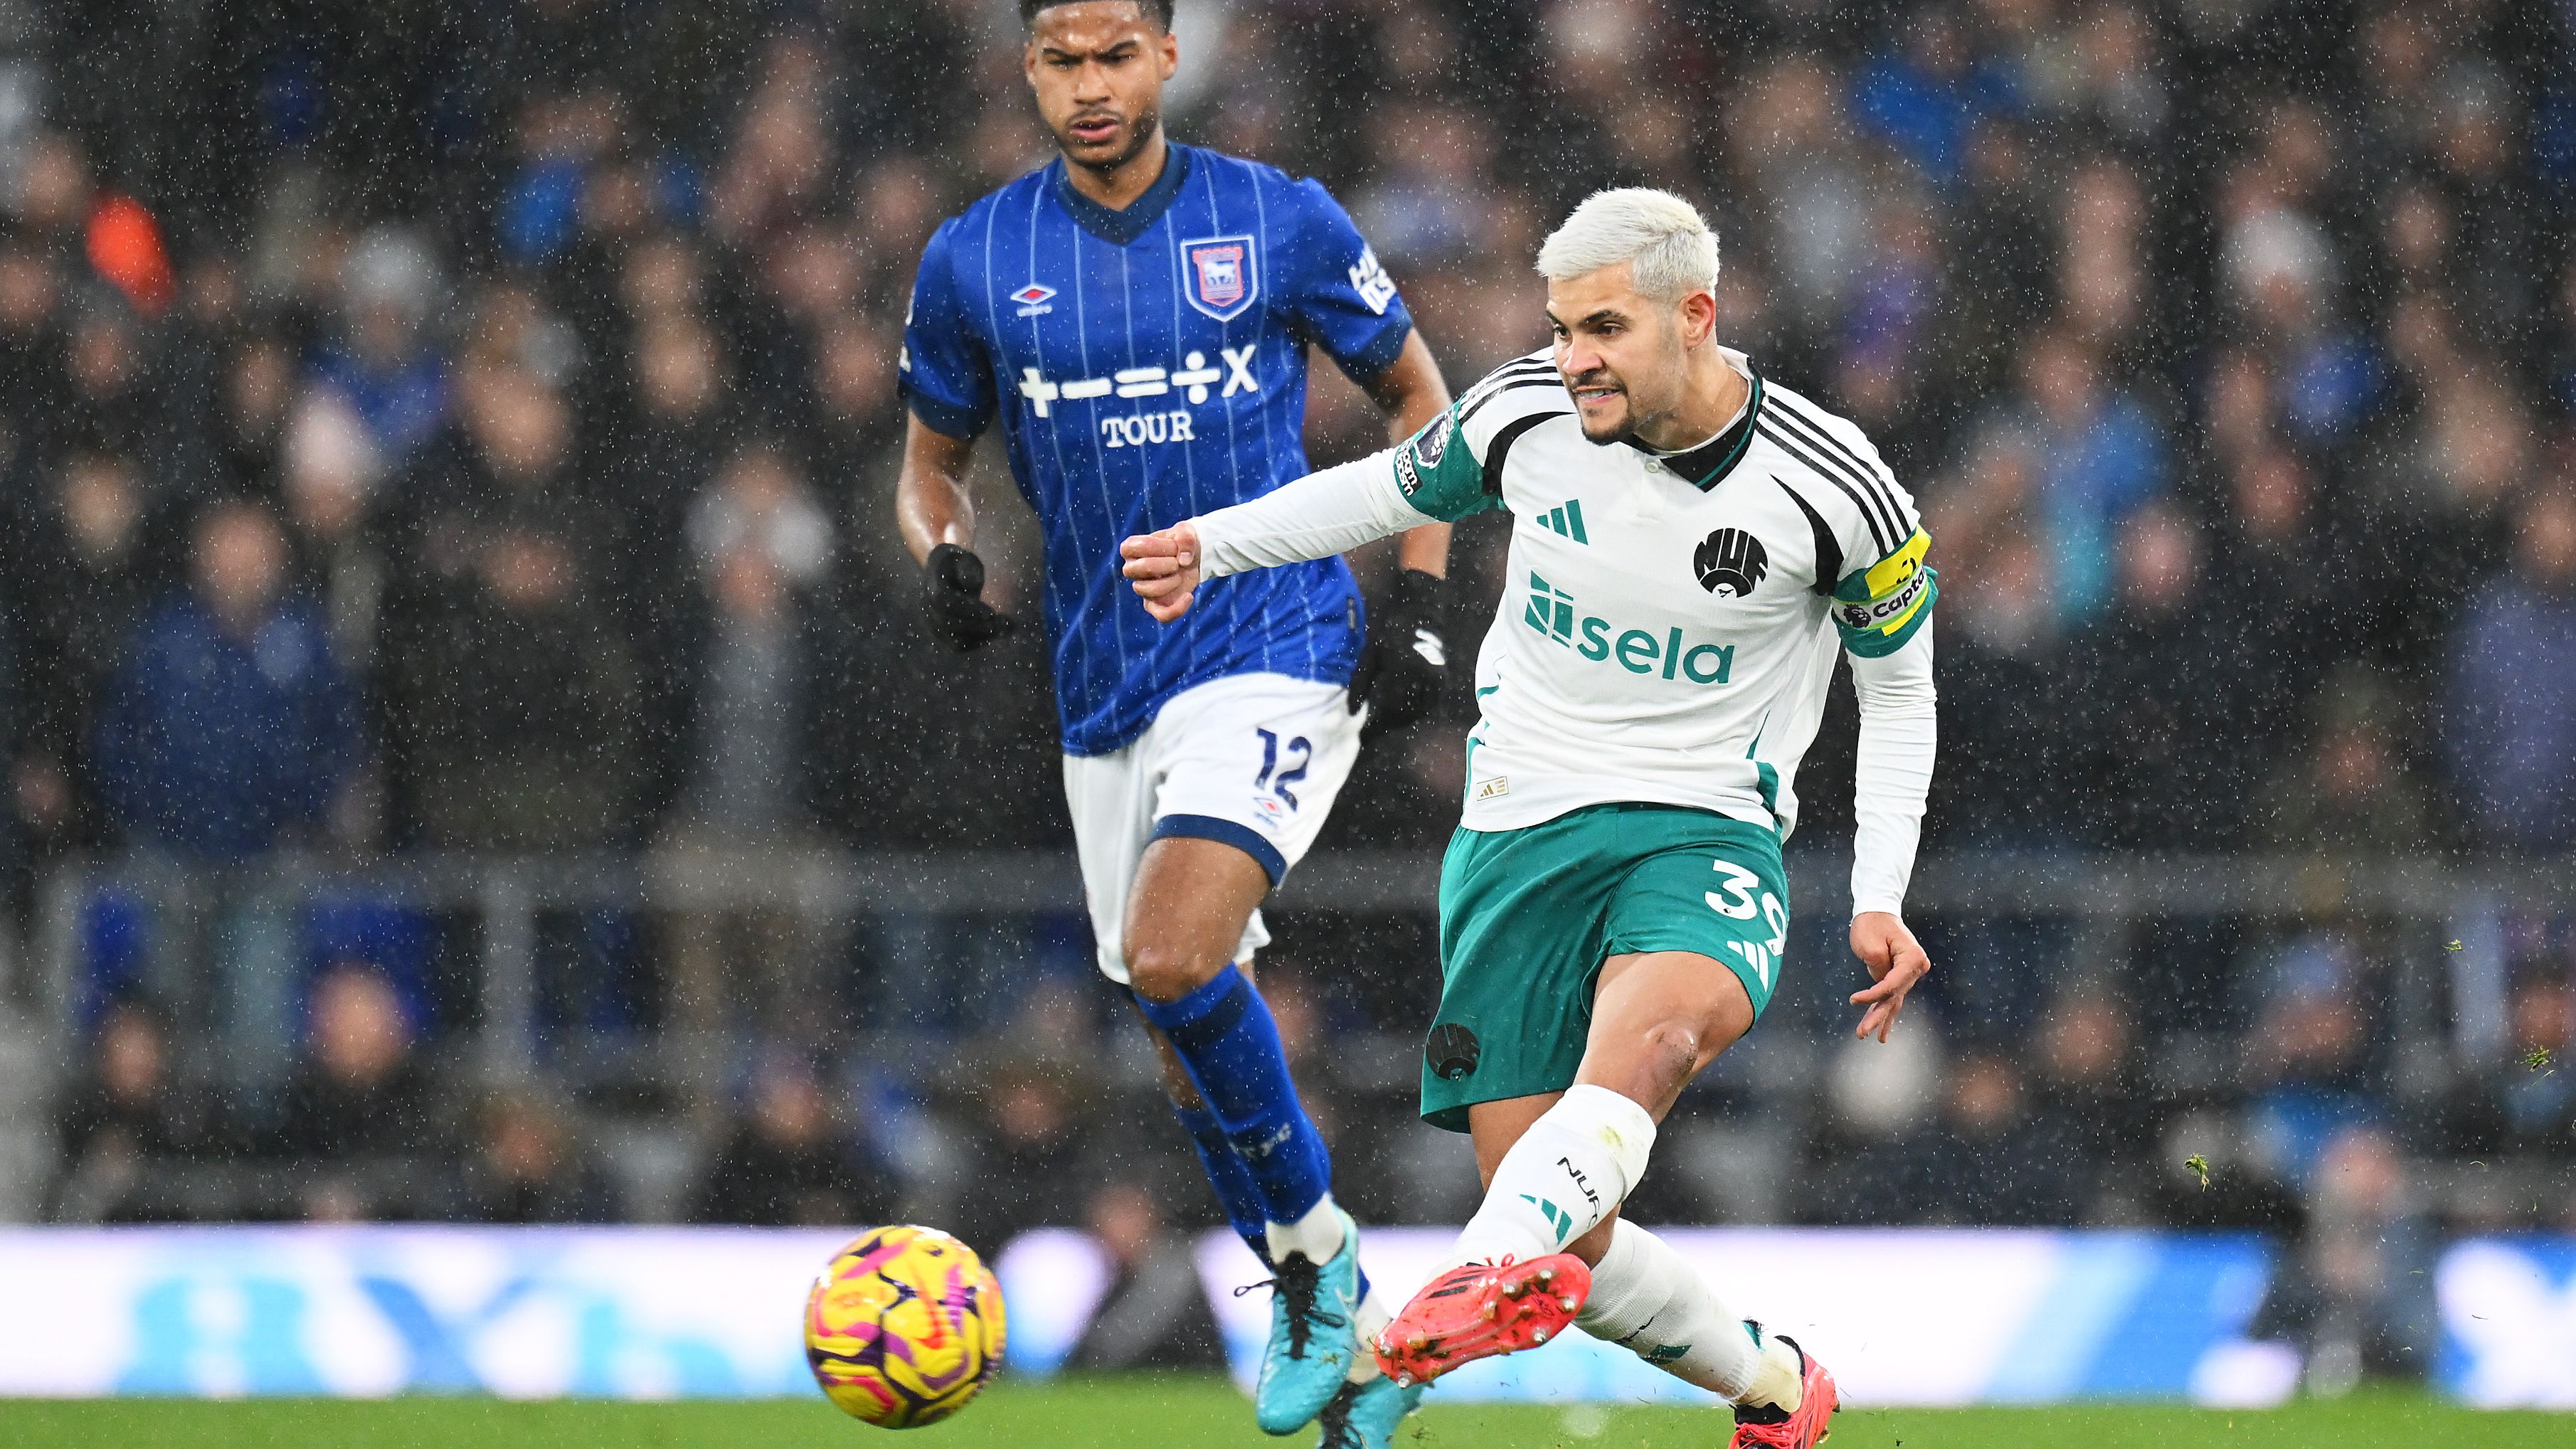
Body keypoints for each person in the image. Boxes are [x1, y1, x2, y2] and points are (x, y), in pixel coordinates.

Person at [1123, 190, 1944, 1449]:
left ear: (1695, 314)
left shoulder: (1837, 486)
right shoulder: (1524, 414)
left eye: (1603, 327)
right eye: (1560, 328)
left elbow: (1898, 687)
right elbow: (1379, 489)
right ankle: (1776, 1387)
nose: (1573, 358)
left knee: (1655, 1042)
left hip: (1703, 829)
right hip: (1516, 834)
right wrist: (1207, 545)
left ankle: (1419, 1331)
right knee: (1567, 1223)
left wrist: (1880, 888)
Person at [890, 4, 1456, 1443]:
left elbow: (1418, 399)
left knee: (1172, 951)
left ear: (1162, 60)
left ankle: (1316, 1269)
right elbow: (928, 466)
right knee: (1175, 1020)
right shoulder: (974, 257)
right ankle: (1359, 1353)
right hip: (1102, 687)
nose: (1088, 86)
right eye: (1060, 61)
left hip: (1269, 636)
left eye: (1113, 56)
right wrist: (944, 552)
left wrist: (1425, 601)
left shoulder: (1276, 220)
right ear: (1028, 71)